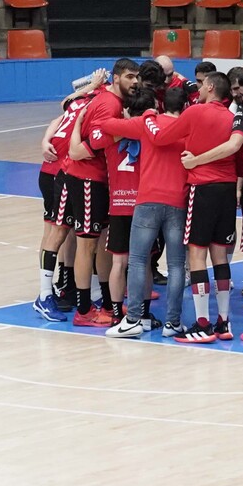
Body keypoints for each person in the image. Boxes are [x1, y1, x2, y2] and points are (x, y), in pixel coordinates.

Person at [135, 71, 237, 343]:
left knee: (196, 256)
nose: (198, 89)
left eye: (202, 85)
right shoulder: (232, 118)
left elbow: (161, 138)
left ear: (211, 87)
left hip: (202, 188)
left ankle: (202, 324)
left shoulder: (195, 112)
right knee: (220, 256)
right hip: (227, 190)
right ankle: (223, 322)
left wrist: (148, 116)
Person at [99, 85, 191, 337]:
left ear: (162, 105)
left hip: (148, 200)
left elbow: (107, 125)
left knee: (138, 261)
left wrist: (134, 116)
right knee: (176, 265)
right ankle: (173, 323)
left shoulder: (147, 123)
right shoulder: (189, 129)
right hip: (178, 202)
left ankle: (133, 319)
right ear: (185, 106)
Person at [56, 58, 140, 327]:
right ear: (116, 78)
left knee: (103, 241)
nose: (135, 82)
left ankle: (106, 303)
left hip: (100, 179)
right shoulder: (109, 104)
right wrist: (124, 130)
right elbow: (88, 144)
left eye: (136, 77)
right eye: (129, 77)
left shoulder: (110, 99)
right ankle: (83, 310)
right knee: (87, 244)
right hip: (87, 179)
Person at [72, 87, 156, 323]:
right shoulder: (152, 136)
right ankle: (144, 315)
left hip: (118, 205)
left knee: (119, 262)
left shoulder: (110, 136)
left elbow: (79, 149)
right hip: (143, 205)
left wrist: (78, 123)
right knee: (144, 262)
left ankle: (117, 314)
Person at [33, 70, 109, 319]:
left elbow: (62, 110)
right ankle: (51, 290)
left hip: (65, 171)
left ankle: (70, 287)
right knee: (59, 233)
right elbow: (62, 111)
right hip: (59, 171)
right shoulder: (92, 103)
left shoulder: (82, 102)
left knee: (77, 234)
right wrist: (46, 141)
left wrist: (46, 139)